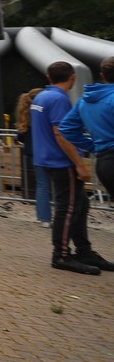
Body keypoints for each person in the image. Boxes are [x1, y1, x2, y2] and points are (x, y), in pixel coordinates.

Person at [31, 61, 111, 275]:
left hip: (46, 158)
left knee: (80, 205)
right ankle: (61, 255)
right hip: (62, 161)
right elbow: (61, 133)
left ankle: (84, 250)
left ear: (48, 77)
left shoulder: (41, 97)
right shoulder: (59, 99)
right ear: (73, 78)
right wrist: (79, 163)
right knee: (68, 209)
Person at [57, 55, 114, 235]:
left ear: (102, 75)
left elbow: (66, 128)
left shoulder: (85, 100)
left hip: (104, 162)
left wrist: (94, 146)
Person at [14, 88, 50, 226]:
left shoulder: (25, 117)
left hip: (32, 154)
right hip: (47, 152)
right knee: (53, 185)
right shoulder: (43, 115)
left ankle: (44, 218)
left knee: (42, 185)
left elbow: (20, 136)